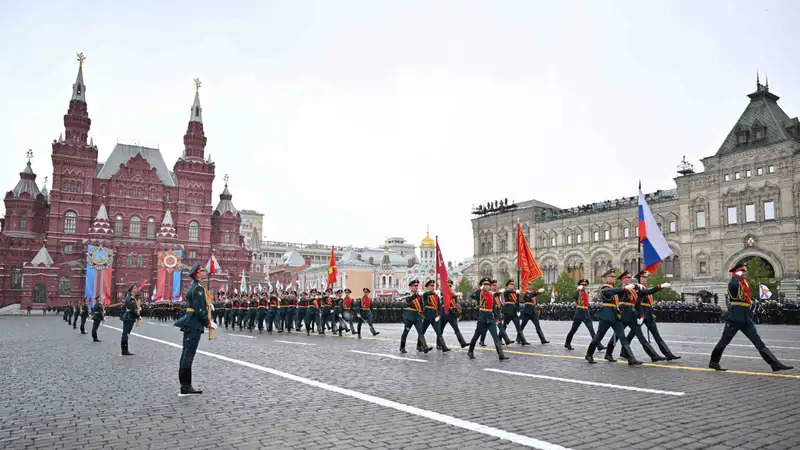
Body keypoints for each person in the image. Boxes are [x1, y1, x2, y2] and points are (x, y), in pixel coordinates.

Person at [709, 265, 793, 372]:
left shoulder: (744, 284)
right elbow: (734, 284)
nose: (746, 273)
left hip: (746, 318)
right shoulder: (733, 283)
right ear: (738, 273)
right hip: (734, 318)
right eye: (743, 271)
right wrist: (737, 274)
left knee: (758, 342)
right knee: (723, 342)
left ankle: (775, 364)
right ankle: (713, 362)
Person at [584, 270, 641, 365]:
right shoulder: (604, 288)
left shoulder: (613, 288)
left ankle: (631, 358)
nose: (613, 278)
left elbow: (618, 292)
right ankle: (589, 354)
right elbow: (614, 291)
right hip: (606, 316)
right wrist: (624, 288)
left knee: (622, 336)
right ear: (605, 278)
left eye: (614, 277)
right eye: (611, 277)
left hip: (615, 315)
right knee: (598, 337)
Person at [175, 263, 216, 395]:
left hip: (190, 323)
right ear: (197, 274)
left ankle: (185, 385)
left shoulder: (195, 287)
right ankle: (186, 386)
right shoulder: (198, 289)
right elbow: (198, 310)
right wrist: (208, 323)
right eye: (203, 270)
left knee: (186, 353)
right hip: (194, 324)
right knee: (188, 355)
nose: (205, 272)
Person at [624, 270, 680, 361]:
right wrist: (660, 286)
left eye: (646, 277)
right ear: (639, 279)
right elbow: (649, 292)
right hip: (640, 313)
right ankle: (624, 351)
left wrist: (651, 312)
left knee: (656, 335)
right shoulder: (637, 289)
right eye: (643, 277)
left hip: (648, 313)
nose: (645, 279)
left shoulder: (645, 287)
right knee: (633, 334)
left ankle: (668, 354)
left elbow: (649, 301)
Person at [467, 277, 508, 361]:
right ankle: (470, 351)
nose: (487, 286)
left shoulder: (492, 295)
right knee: (476, 335)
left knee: (495, 337)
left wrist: (497, 318)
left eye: (488, 284)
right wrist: (479, 289)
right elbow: (471, 295)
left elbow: (493, 308)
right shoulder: (480, 294)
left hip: (490, 318)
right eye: (485, 284)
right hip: (482, 318)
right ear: (482, 286)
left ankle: (501, 354)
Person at [564, 279, 605, 351]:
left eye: (585, 285)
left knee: (591, 329)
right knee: (573, 329)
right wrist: (578, 290)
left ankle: (598, 345)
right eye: (583, 285)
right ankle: (567, 343)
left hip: (585, 312)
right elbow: (574, 296)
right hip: (579, 311)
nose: (584, 286)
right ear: (580, 285)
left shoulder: (586, 293)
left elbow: (585, 302)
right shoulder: (578, 292)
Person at [399, 280, 432, 354]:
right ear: (411, 287)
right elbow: (408, 301)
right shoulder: (408, 294)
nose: (416, 287)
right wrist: (415, 295)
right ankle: (402, 347)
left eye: (417, 286)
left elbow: (422, 305)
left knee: (421, 332)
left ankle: (424, 347)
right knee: (406, 332)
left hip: (417, 317)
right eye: (414, 286)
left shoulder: (419, 296)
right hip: (409, 317)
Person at [121, 283, 142, 356]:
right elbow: (132, 310)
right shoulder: (131, 298)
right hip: (129, 317)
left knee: (126, 334)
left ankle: (125, 350)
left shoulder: (130, 297)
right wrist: (138, 316)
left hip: (129, 317)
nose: (136, 289)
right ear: (132, 290)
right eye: (135, 288)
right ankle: (124, 350)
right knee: (125, 334)